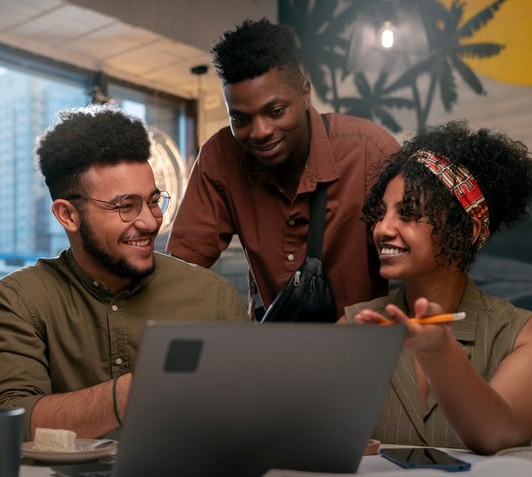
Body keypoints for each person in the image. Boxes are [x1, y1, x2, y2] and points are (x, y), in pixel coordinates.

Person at [0, 106, 249, 441]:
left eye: (153, 201)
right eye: (125, 206)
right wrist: (148, 385)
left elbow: (254, 414)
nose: (150, 222)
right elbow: (6, 421)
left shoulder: (212, 298)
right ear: (68, 215)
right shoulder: (22, 301)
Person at [343, 120, 532, 454]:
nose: (382, 229)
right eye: (381, 212)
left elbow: (497, 434)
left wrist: (437, 350)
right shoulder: (354, 328)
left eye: (408, 213)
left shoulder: (530, 338)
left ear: (468, 230)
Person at [167, 18, 400, 319]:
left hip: (364, 349)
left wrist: (362, 316)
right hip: (272, 353)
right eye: (240, 119)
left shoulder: (370, 151)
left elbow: (427, 265)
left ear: (305, 94)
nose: (259, 131)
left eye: (275, 111)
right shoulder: (221, 157)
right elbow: (182, 274)